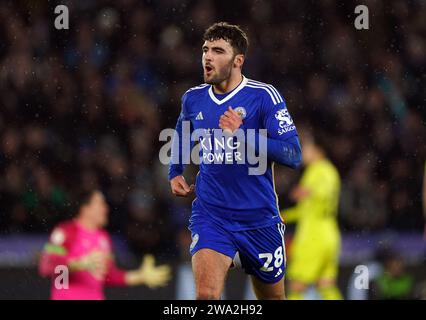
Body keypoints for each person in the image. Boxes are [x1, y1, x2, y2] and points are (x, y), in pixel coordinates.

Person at [169, 22, 301, 300]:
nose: (207, 56)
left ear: (238, 60)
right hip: (212, 216)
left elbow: (293, 155)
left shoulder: (264, 96)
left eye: (218, 50)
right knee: (206, 296)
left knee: (273, 298)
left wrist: (242, 134)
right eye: (205, 50)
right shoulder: (193, 99)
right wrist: (175, 170)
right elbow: (182, 133)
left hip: (259, 220)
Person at [38, 189, 171, 300]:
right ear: (86, 208)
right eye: (101, 204)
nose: (105, 209)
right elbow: (47, 265)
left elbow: (108, 276)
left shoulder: (103, 238)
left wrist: (139, 276)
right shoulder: (64, 231)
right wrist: (79, 264)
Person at [281, 131, 342, 300]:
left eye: (305, 148)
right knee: (326, 284)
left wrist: (311, 191)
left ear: (317, 150)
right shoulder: (330, 170)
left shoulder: (319, 170)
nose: (302, 153)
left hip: (313, 235)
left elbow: (325, 190)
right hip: (330, 233)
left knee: (296, 285)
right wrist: (282, 216)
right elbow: (306, 210)